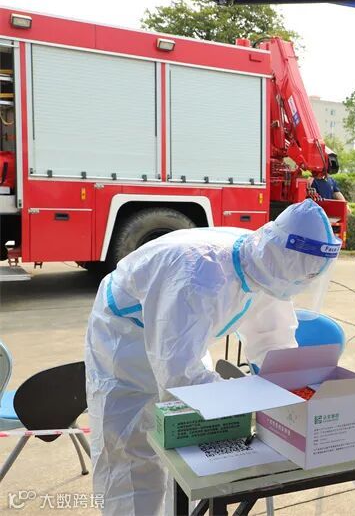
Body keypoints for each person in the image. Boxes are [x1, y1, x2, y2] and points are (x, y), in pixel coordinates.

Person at [85, 199, 341, 515]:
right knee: (130, 451)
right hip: (125, 342)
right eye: (300, 277)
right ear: (281, 260)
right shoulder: (198, 276)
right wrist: (251, 400)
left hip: (177, 338)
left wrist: (290, 387)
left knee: (189, 451)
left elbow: (273, 341)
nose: (299, 285)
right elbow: (180, 375)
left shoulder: (269, 268)